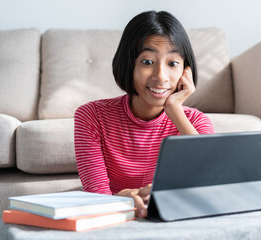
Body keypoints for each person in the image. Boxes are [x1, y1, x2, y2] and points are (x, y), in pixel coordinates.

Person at [74, 10, 215, 218]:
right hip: (114, 220)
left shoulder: (195, 122)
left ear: (186, 70)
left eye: (172, 63)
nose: (161, 77)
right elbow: (97, 197)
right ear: (128, 64)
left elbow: (212, 185)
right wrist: (122, 199)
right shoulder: (91, 116)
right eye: (147, 62)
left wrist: (175, 110)